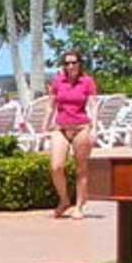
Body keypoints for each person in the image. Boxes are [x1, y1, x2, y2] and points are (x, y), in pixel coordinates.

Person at [47, 48, 99, 220]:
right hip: (61, 127)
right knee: (56, 167)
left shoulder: (87, 81)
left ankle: (79, 205)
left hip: (81, 127)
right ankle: (64, 200)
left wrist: (94, 128)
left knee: (81, 168)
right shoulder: (58, 81)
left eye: (73, 62)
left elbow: (93, 106)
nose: (70, 66)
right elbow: (51, 105)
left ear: (79, 64)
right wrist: (45, 124)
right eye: (67, 63)